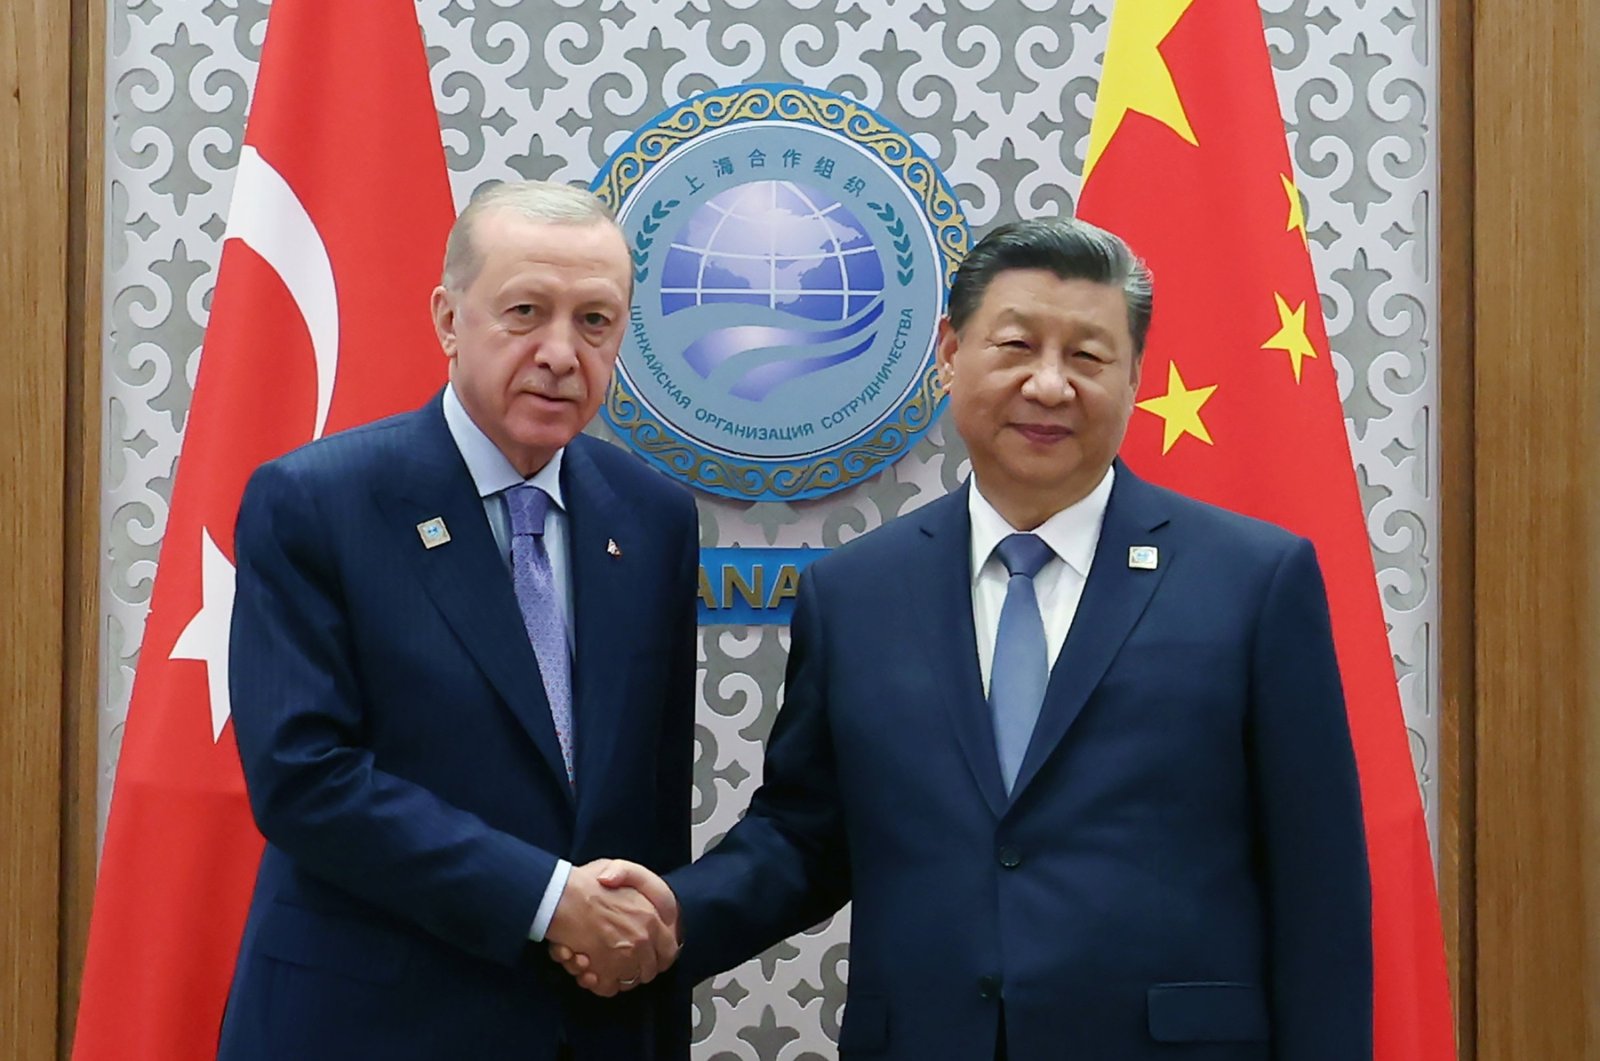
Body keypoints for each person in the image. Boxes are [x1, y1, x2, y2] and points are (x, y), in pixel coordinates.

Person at [565, 217, 1373, 1060]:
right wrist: (663, 919)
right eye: (1017, 345)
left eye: (1089, 357)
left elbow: (1320, 889)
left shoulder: (1252, 579)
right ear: (951, 351)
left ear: (1136, 374)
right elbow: (805, 837)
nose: (1050, 386)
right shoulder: (856, 593)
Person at [217, 180, 697, 1061]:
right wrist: (549, 898)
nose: (561, 352)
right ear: (448, 318)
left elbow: (653, 804)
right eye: (525, 311)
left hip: (589, 1027)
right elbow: (304, 777)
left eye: (595, 321)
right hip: (370, 1022)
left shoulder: (652, 515)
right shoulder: (317, 502)